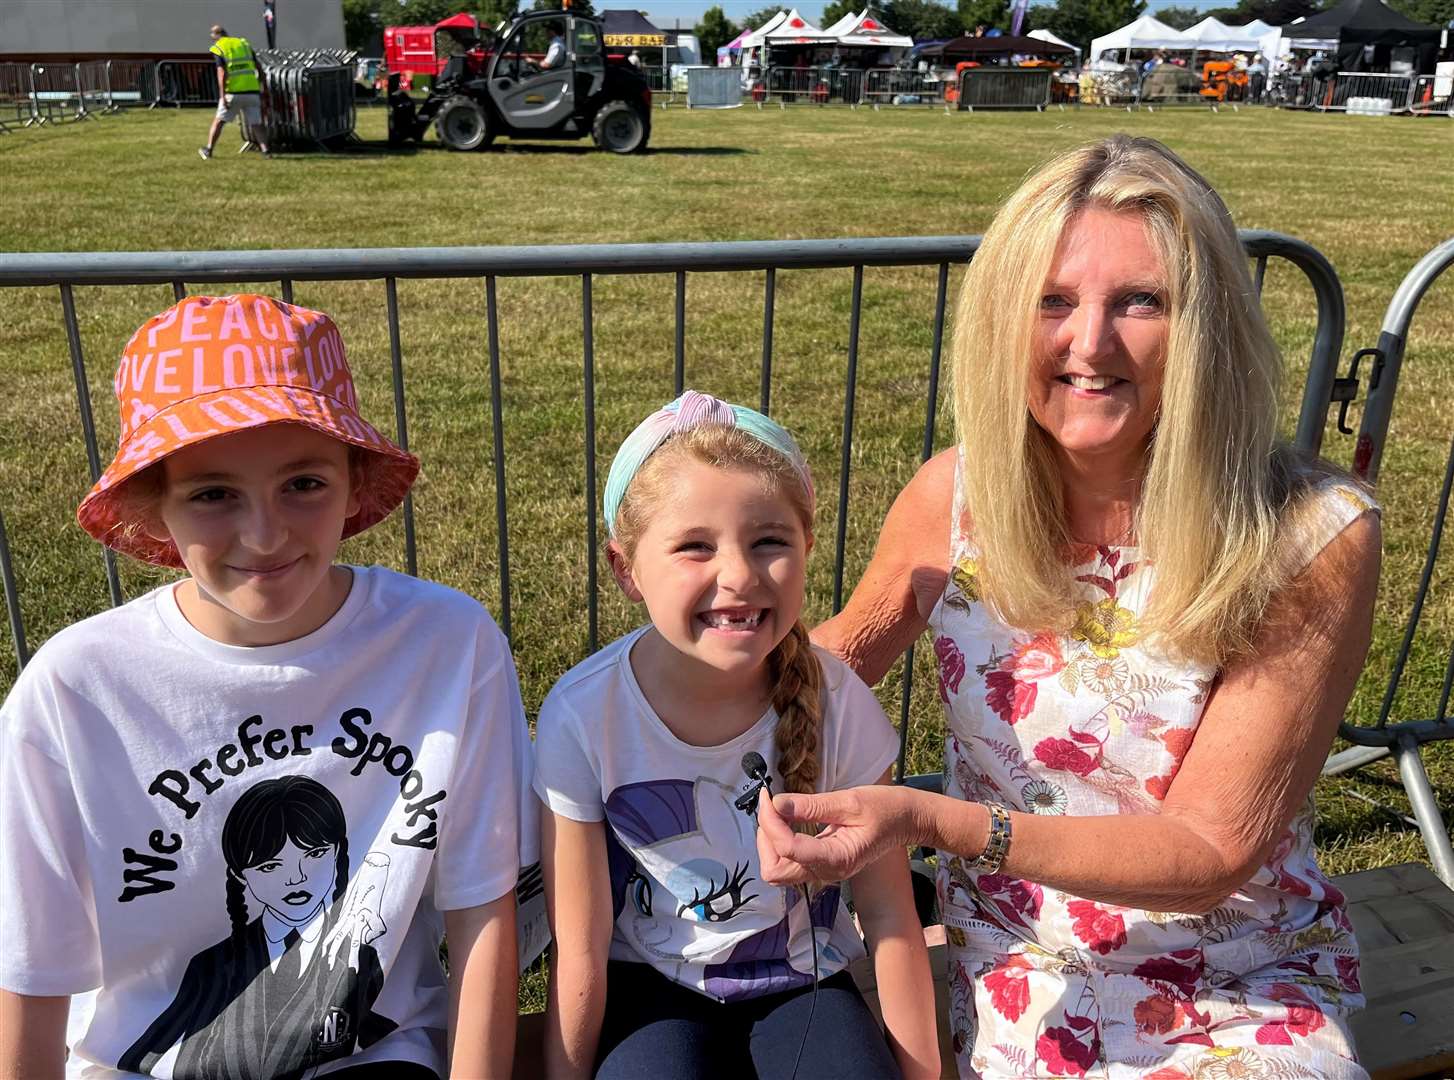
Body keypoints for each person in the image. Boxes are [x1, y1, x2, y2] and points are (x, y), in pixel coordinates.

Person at [754, 136, 1379, 1079]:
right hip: (1018, 971)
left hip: (1237, 990)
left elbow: (1212, 847)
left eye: (1141, 301)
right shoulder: (953, 501)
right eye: (1054, 301)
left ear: (1205, 325)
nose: (1089, 343)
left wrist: (935, 825)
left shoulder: (1309, 534)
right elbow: (821, 672)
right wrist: (639, 698)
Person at [0, 294, 539, 1079]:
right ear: (153, 506)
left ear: (356, 484)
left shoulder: (450, 648)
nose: (264, 535)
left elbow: (483, 907)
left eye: (304, 484)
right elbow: (31, 969)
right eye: (213, 494)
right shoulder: (73, 691)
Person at [535, 391, 938, 1079]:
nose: (740, 576)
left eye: (769, 541)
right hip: (649, 988)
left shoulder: (842, 705)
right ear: (625, 568)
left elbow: (891, 917)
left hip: (805, 987)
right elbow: (579, 946)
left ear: (807, 546)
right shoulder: (583, 715)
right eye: (695, 546)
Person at [200, 24, 270, 159]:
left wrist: (222, 96)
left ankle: (208, 150)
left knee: (219, 121)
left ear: (215, 36)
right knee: (256, 123)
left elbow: (222, 74)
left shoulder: (219, 47)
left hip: (233, 92)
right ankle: (266, 151)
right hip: (252, 91)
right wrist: (264, 89)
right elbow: (259, 69)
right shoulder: (243, 44)